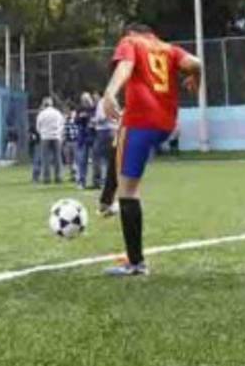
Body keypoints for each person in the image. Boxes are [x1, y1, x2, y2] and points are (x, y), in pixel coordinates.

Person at [101, 23, 201, 277]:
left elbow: (125, 66)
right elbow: (196, 63)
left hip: (139, 121)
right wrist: (195, 79)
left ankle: (135, 263)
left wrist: (110, 93)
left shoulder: (130, 42)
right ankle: (106, 202)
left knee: (128, 191)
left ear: (129, 33)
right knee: (126, 174)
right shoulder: (169, 49)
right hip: (166, 124)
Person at [95, 91, 120, 216]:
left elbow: (101, 118)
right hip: (116, 133)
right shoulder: (114, 101)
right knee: (114, 167)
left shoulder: (104, 102)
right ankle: (107, 202)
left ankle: (108, 201)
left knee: (109, 164)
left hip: (107, 133)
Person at [34, 98, 64, 184]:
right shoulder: (57, 113)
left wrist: (42, 133)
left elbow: (38, 126)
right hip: (56, 136)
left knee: (45, 158)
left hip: (45, 137)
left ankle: (47, 178)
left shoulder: (42, 114)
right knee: (57, 157)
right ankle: (58, 177)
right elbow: (62, 124)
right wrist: (59, 132)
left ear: (44, 104)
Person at [73, 94, 96, 189]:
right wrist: (80, 117)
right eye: (83, 100)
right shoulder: (79, 109)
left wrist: (89, 117)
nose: (85, 102)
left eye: (87, 100)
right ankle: (81, 181)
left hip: (93, 138)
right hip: (82, 139)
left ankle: (96, 181)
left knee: (96, 161)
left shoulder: (95, 108)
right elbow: (75, 120)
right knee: (82, 161)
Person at [62, 105, 79, 180]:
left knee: (76, 159)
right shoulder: (65, 119)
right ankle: (72, 175)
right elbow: (63, 130)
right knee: (69, 160)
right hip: (67, 141)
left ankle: (76, 175)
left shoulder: (75, 118)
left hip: (75, 140)